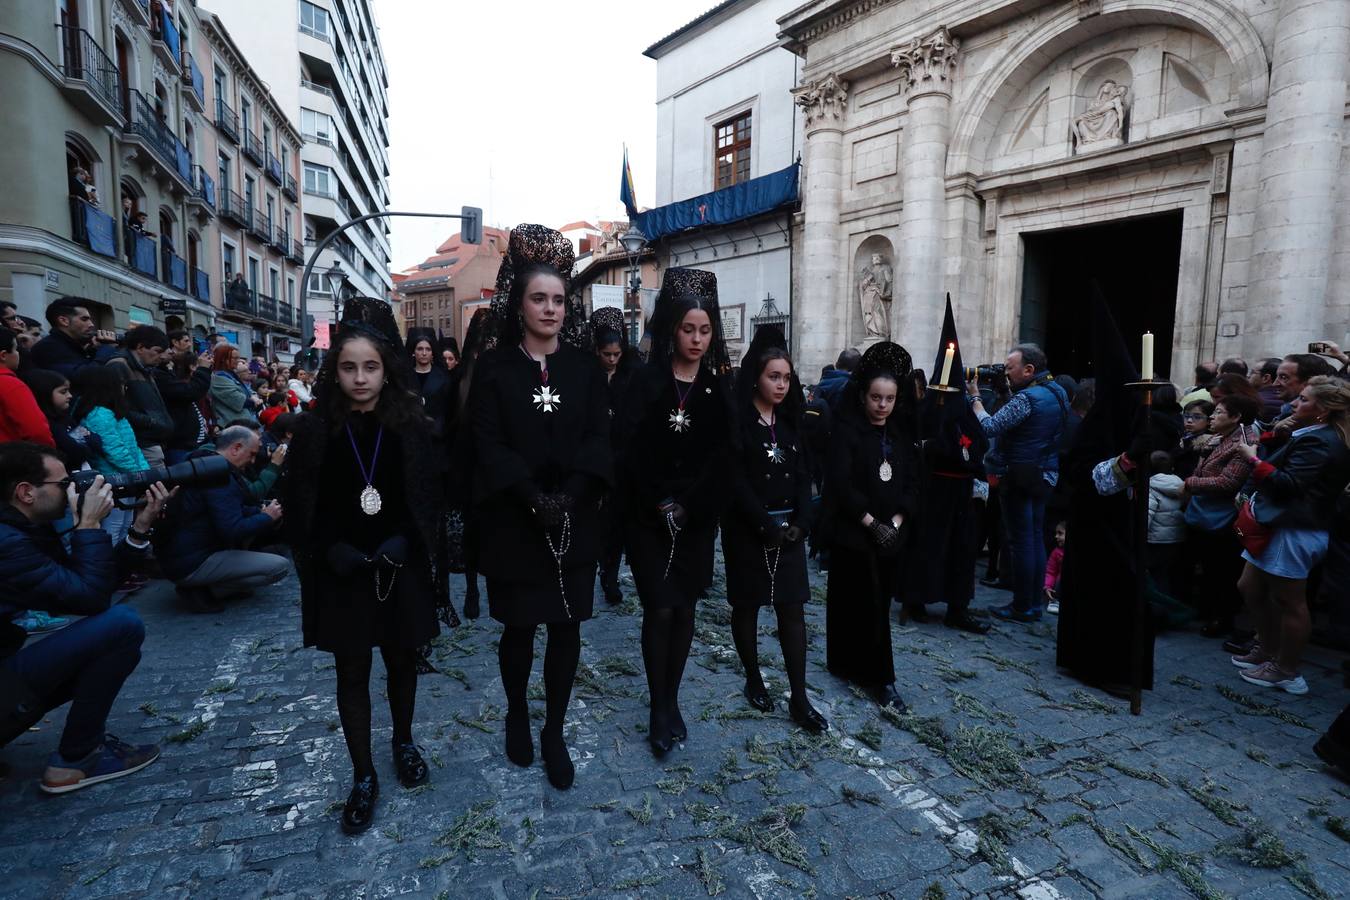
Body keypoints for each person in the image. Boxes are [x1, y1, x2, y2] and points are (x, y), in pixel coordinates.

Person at [282, 296, 454, 834]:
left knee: (402, 662)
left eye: (371, 367)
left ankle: (403, 741)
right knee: (352, 672)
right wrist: (328, 547)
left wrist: (406, 539)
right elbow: (302, 502)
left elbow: (427, 497)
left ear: (386, 370)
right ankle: (362, 774)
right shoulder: (315, 430)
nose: (360, 378)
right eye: (349, 367)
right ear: (335, 371)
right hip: (344, 571)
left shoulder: (411, 426)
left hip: (397, 566)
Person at [468, 224, 612, 789]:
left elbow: (598, 438)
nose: (550, 309)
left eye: (558, 300)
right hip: (515, 520)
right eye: (539, 299)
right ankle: (516, 714)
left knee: (566, 628)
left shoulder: (584, 368)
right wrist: (530, 496)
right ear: (520, 304)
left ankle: (554, 728)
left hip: (573, 519)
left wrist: (570, 495)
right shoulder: (496, 368)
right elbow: (487, 441)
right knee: (521, 629)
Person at [0, 442, 170, 793]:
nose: (73, 490)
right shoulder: (8, 543)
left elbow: (83, 587)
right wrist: (88, 523)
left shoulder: (20, 530)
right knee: (122, 626)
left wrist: (139, 527)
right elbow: (91, 598)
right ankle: (78, 758)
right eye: (64, 484)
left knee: (112, 633)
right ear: (26, 492)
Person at [616, 267, 732, 756]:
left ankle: (672, 698)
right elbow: (629, 448)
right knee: (659, 608)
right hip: (649, 515)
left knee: (684, 609)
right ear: (673, 329)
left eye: (705, 330)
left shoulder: (718, 389)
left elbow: (723, 457)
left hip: (695, 520)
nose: (697, 339)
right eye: (689, 329)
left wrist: (690, 504)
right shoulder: (646, 381)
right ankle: (657, 705)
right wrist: (659, 499)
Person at [721, 329, 827, 731]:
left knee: (792, 611)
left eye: (786, 377)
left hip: (789, 532)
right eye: (773, 377)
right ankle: (753, 677)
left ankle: (799, 698)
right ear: (756, 378)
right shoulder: (738, 421)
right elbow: (735, 480)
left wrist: (802, 522)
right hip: (748, 530)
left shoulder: (790, 421)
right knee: (747, 606)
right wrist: (764, 525)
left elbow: (803, 476)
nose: (781, 385)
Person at [1231, 377, 1350, 694]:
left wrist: (1252, 459)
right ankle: (1267, 647)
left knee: (1290, 601)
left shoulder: (1322, 441)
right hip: (1282, 524)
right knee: (1249, 586)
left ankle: (1287, 670)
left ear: (1323, 410)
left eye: (1304, 400)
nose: (1295, 403)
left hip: (1295, 527)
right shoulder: (1314, 434)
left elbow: (1290, 484)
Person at [819, 341, 917, 711]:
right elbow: (840, 483)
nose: (882, 405)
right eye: (876, 398)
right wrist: (870, 522)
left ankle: (856, 664)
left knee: (878, 602)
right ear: (863, 396)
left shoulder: (900, 434)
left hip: (891, 534)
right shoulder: (847, 431)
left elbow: (912, 482)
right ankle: (882, 680)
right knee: (860, 602)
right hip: (855, 534)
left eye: (889, 399)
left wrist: (896, 521)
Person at [967, 343, 1069, 622]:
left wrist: (975, 398)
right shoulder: (1057, 391)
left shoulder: (1027, 399)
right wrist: (1004, 392)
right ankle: (1033, 603)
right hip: (1045, 474)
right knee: (1035, 539)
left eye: (1010, 368)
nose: (1005, 372)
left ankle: (1022, 606)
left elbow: (989, 427)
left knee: (1022, 542)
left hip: (1020, 476)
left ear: (1029, 369)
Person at [906, 302, 991, 634]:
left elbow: (977, 445)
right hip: (932, 492)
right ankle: (916, 599)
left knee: (961, 550)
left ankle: (958, 607)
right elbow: (916, 445)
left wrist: (957, 450)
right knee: (927, 546)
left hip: (960, 495)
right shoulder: (926, 410)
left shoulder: (963, 413)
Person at [157, 425, 288, 612]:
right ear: (236, 448)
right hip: (192, 561)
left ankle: (206, 584)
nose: (252, 461)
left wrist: (257, 512)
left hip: (179, 555)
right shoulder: (219, 477)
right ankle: (204, 590)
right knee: (278, 567)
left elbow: (226, 510)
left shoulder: (201, 464)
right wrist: (267, 517)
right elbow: (233, 529)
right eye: (251, 454)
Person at [1181, 393, 1258, 636]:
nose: (1212, 417)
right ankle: (1208, 610)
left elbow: (1228, 482)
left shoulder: (1243, 443)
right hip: (1207, 512)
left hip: (1224, 516)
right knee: (1209, 567)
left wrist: (1190, 483)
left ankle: (1222, 618)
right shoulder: (1221, 437)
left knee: (1223, 570)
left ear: (1236, 417)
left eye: (1218, 412)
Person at [69, 365, 147, 545]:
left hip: (128, 479)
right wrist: (141, 474)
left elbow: (133, 448)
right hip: (115, 480)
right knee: (115, 525)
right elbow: (115, 452)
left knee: (126, 523)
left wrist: (144, 472)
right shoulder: (100, 415)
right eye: (120, 383)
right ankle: (112, 558)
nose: (124, 387)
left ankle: (124, 558)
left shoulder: (112, 413)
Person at [591, 306, 635, 605]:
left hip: (622, 458)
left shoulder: (630, 375)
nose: (611, 359)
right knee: (597, 523)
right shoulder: (588, 375)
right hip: (595, 458)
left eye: (616, 354)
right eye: (606, 354)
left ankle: (610, 576)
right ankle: (599, 566)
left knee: (617, 522)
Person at [105, 325, 173, 466]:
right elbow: (113, 406)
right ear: (140, 347)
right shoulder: (118, 366)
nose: (162, 356)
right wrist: (150, 421)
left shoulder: (145, 368)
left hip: (151, 441)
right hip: (140, 443)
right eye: (157, 351)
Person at [21, 368, 99, 471]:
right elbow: (76, 452)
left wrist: (84, 442)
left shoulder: (65, 418)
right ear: (45, 394)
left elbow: (96, 440)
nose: (70, 396)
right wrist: (85, 440)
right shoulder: (51, 425)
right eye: (63, 392)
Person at [156, 347, 215, 464]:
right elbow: (192, 392)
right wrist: (203, 369)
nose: (171, 351)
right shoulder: (164, 379)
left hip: (195, 444)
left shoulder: (174, 380)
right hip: (181, 447)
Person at [29, 298, 113, 378]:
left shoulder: (71, 345)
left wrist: (93, 351)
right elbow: (84, 378)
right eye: (84, 319)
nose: (91, 324)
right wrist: (105, 350)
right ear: (63, 321)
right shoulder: (48, 348)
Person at [0, 330, 54, 446]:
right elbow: (37, 431)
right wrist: (48, 453)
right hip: (15, 454)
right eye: (16, 349)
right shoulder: (11, 385)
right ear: (3, 355)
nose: (18, 354)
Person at [1146, 451, 1185, 597]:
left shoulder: (1150, 487)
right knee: (1173, 574)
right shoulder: (1182, 485)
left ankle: (1161, 607)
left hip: (1156, 541)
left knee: (1157, 576)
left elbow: (1147, 516)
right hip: (1177, 539)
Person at [407, 329, 451, 439]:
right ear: (413, 352)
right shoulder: (406, 377)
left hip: (436, 435)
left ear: (432, 353)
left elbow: (447, 408)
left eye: (428, 349)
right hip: (411, 434)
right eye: (420, 349)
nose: (424, 353)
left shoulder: (443, 378)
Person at [209, 343, 260, 427]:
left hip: (243, 423)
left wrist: (253, 397)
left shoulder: (231, 374)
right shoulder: (219, 378)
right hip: (233, 425)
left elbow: (248, 392)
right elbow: (240, 401)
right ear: (224, 359)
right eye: (235, 358)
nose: (238, 361)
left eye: (238, 358)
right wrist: (254, 401)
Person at [1249, 358, 1284, 425]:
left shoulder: (1253, 401)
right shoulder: (1289, 400)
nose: (1248, 376)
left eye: (1252, 372)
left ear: (1265, 378)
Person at [1043, 521, 1065, 614]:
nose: (1056, 536)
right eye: (1056, 533)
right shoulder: (1056, 552)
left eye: (1060, 533)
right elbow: (1050, 572)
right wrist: (1047, 586)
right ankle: (1055, 601)